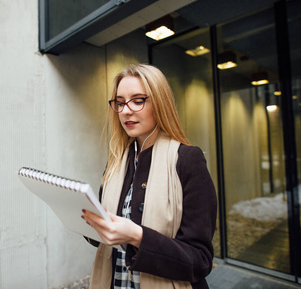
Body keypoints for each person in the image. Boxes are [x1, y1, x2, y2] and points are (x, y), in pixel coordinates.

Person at [81, 64, 217, 289]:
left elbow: (200, 261)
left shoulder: (188, 160)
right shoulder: (117, 162)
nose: (126, 110)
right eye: (120, 102)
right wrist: (85, 219)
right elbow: (101, 237)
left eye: (137, 100)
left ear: (160, 103)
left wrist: (137, 236)